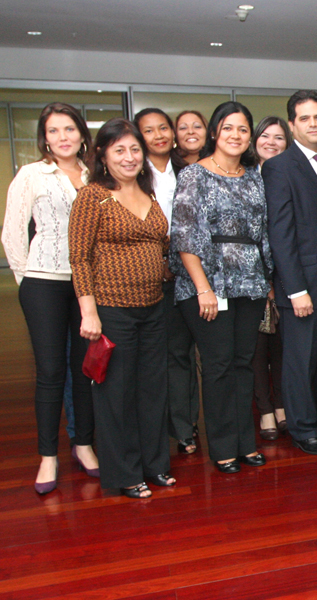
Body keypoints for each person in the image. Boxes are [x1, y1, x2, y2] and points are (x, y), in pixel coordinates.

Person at [69, 118, 171, 498]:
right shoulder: (92, 196)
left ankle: (155, 465)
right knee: (116, 394)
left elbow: (161, 246)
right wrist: (89, 312)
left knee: (153, 390)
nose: (129, 157)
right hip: (112, 309)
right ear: (103, 155)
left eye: (134, 149)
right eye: (119, 150)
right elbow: (79, 258)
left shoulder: (149, 194)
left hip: (154, 306)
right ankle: (125, 473)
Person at [170, 101, 273, 474]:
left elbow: (263, 233)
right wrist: (203, 289)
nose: (235, 135)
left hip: (250, 283)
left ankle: (246, 443)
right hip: (208, 285)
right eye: (228, 127)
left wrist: (267, 281)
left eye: (243, 129)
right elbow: (184, 236)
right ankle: (223, 447)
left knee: (244, 363)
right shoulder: (194, 175)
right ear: (215, 132)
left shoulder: (253, 176)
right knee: (217, 365)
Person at [2, 103, 97, 494]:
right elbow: (12, 233)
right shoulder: (31, 174)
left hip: (88, 285)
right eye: (54, 131)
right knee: (50, 372)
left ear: (81, 134)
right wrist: (27, 280)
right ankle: (47, 456)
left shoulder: (96, 174)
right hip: (44, 283)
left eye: (69, 129)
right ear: (45, 137)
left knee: (84, 370)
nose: (63, 137)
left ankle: (84, 444)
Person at [263, 91, 317, 456]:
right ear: (292, 125)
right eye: (304, 118)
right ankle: (303, 429)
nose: (313, 124)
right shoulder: (279, 167)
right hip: (302, 286)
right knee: (300, 361)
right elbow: (280, 233)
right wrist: (295, 290)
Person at [134, 108, 205, 455]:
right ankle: (165, 426)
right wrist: (161, 260)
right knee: (162, 354)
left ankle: (185, 424)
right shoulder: (134, 173)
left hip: (188, 274)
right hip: (150, 276)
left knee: (183, 353)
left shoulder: (187, 169)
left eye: (163, 128)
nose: (159, 135)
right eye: (149, 130)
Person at [251, 116, 290, 440]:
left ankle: (281, 406)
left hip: (285, 272)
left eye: (279, 137)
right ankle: (265, 409)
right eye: (265, 136)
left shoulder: (289, 173)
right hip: (252, 274)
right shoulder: (246, 176)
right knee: (257, 347)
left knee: (281, 346)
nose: (271, 142)